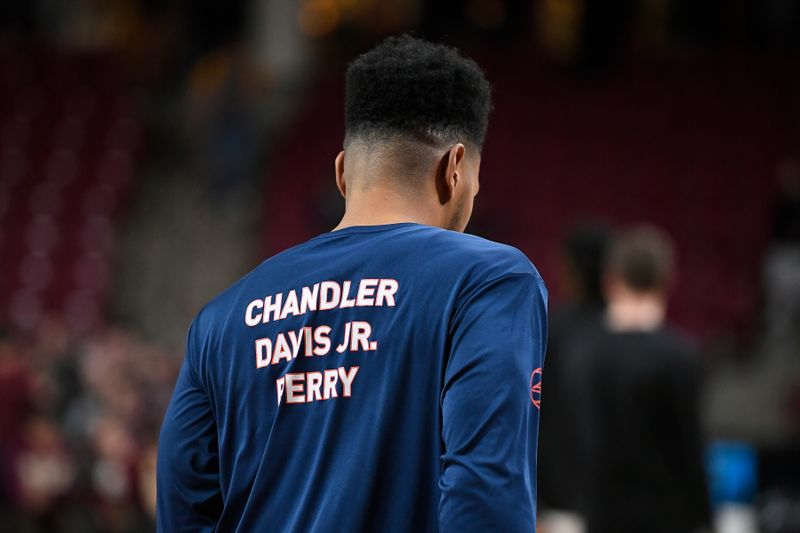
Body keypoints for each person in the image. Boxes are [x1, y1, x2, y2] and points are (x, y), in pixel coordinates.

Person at [156, 35, 548, 533]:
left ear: (342, 173)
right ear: (454, 169)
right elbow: (487, 498)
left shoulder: (219, 319)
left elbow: (182, 515)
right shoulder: (488, 281)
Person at [583, 226, 710, 533]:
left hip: (595, 515)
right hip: (665, 519)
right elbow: (689, 448)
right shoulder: (680, 357)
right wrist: (705, 517)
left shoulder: (579, 352)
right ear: (668, 279)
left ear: (610, 279)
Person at [538, 223, 610, 533]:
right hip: (610, 497)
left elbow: (539, 413)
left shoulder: (555, 329)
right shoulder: (628, 333)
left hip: (562, 496)